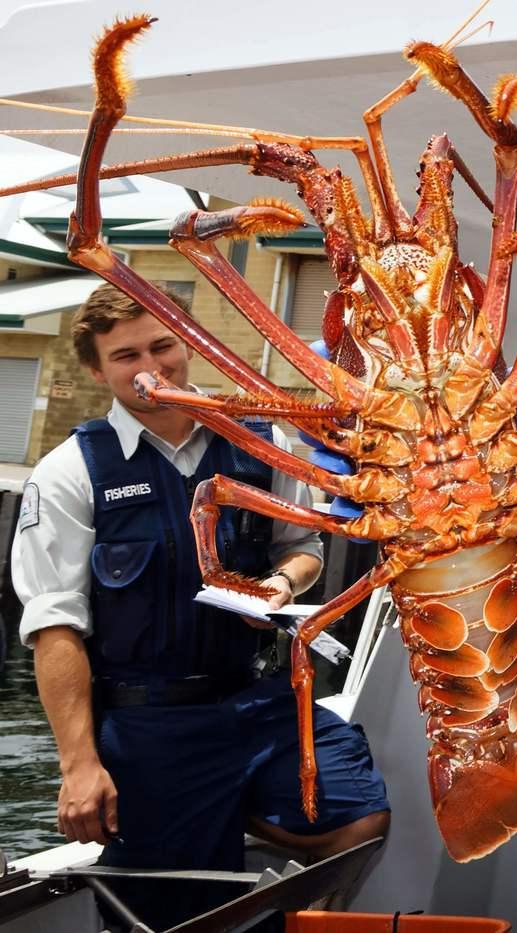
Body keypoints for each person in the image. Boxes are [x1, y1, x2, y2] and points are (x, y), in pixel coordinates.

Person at [11, 284, 390, 930]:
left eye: (163, 345)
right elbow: (55, 629)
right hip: (151, 727)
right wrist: (79, 764)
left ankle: (241, 815)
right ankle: (207, 806)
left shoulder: (259, 444)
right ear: (97, 369)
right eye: (126, 355)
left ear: (187, 342)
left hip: (256, 704)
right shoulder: (70, 471)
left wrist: (281, 585)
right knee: (171, 916)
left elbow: (305, 549)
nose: (151, 366)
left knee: (359, 816)